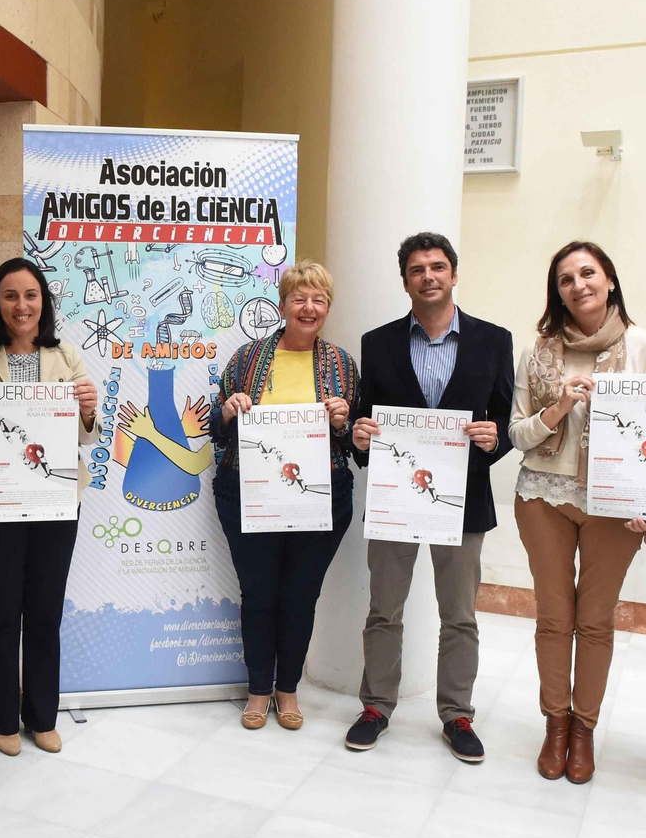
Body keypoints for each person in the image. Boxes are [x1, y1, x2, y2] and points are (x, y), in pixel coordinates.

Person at [346, 232, 514, 763]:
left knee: (460, 615)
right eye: (417, 269)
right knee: (383, 612)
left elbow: (506, 420)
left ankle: (457, 715)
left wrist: (496, 438)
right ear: (405, 281)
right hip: (398, 499)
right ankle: (376, 708)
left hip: (463, 499)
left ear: (454, 274)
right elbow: (362, 416)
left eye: (438, 267)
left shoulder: (494, 340)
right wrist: (359, 435)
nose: (428, 276)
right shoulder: (378, 343)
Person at [509, 242, 646, 783]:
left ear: (610, 281)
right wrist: (561, 405)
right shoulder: (537, 352)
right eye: (566, 279)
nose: (578, 285)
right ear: (558, 291)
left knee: (595, 621)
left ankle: (583, 730)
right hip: (543, 496)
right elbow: (518, 434)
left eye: (588, 273)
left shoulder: (643, 346)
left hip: (613, 504)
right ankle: (554, 724)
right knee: (554, 617)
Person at [0, 258, 97, 756]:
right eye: (11, 295)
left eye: (31, 295)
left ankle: (42, 714)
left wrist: (87, 408)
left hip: (55, 502)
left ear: (44, 303)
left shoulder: (68, 357)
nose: (22, 305)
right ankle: (0, 717)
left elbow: (88, 433)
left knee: (44, 612)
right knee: (1, 612)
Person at [209, 261, 359, 731]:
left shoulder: (341, 364)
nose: (308, 307)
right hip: (249, 494)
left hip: (321, 498)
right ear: (283, 305)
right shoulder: (247, 359)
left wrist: (343, 422)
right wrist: (229, 411)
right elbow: (214, 430)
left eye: (318, 299)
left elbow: (357, 441)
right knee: (258, 594)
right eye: (299, 298)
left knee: (300, 597)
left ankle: (287, 689)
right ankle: (258, 691)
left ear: (328, 308)